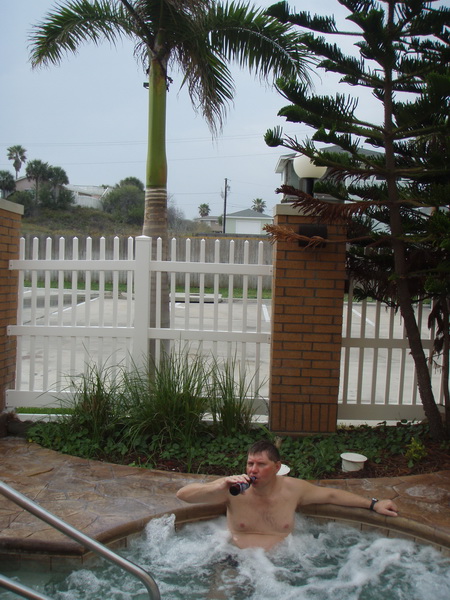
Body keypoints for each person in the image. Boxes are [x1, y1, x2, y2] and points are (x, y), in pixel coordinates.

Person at [176, 440, 398, 551]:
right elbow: (184, 494)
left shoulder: (293, 489)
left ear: (276, 467)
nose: (253, 470)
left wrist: (373, 504)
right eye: (250, 463)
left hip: (279, 565)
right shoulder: (232, 489)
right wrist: (218, 486)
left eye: (261, 464)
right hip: (235, 559)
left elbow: (331, 496)